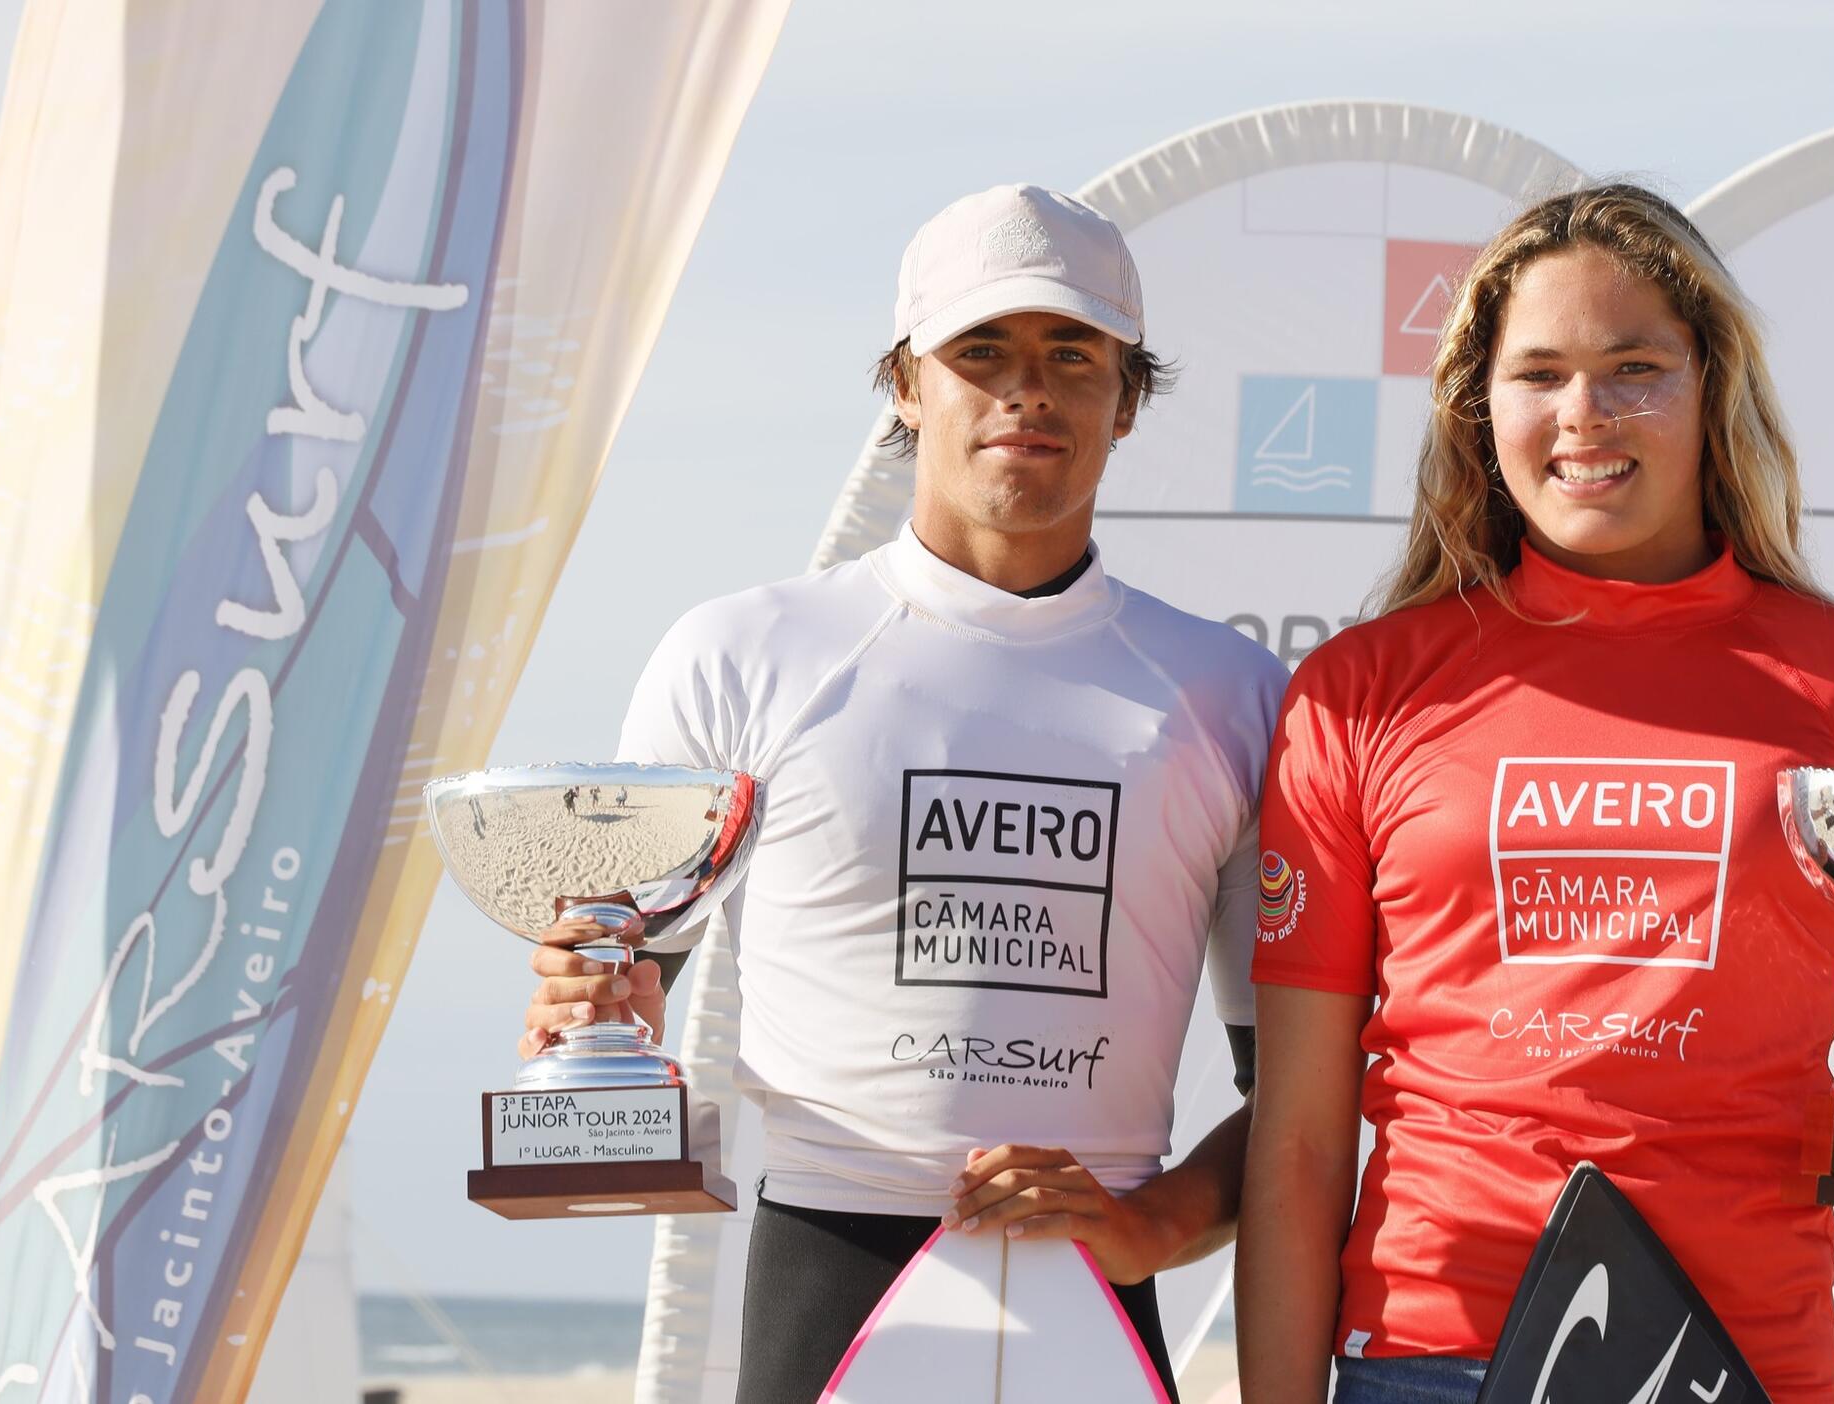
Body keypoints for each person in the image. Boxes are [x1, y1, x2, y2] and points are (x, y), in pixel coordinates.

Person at [1234, 184, 1834, 1404]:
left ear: (1713, 391)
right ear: (1475, 406)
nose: (1583, 415)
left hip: (1736, 1359)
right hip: (1436, 1356)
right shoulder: (1360, 693)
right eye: (1537, 373)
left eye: (1635, 367)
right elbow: (1295, 1143)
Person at [519, 184, 1285, 1403]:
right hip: (827, 1267)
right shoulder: (742, 655)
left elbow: (1299, 1096)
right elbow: (612, 999)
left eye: (1071, 354)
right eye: (978, 350)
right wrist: (583, 997)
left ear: (1126, 399)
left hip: (1096, 1300)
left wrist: (1149, 1230)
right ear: (905, 383)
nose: (1025, 389)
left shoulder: (1236, 695)